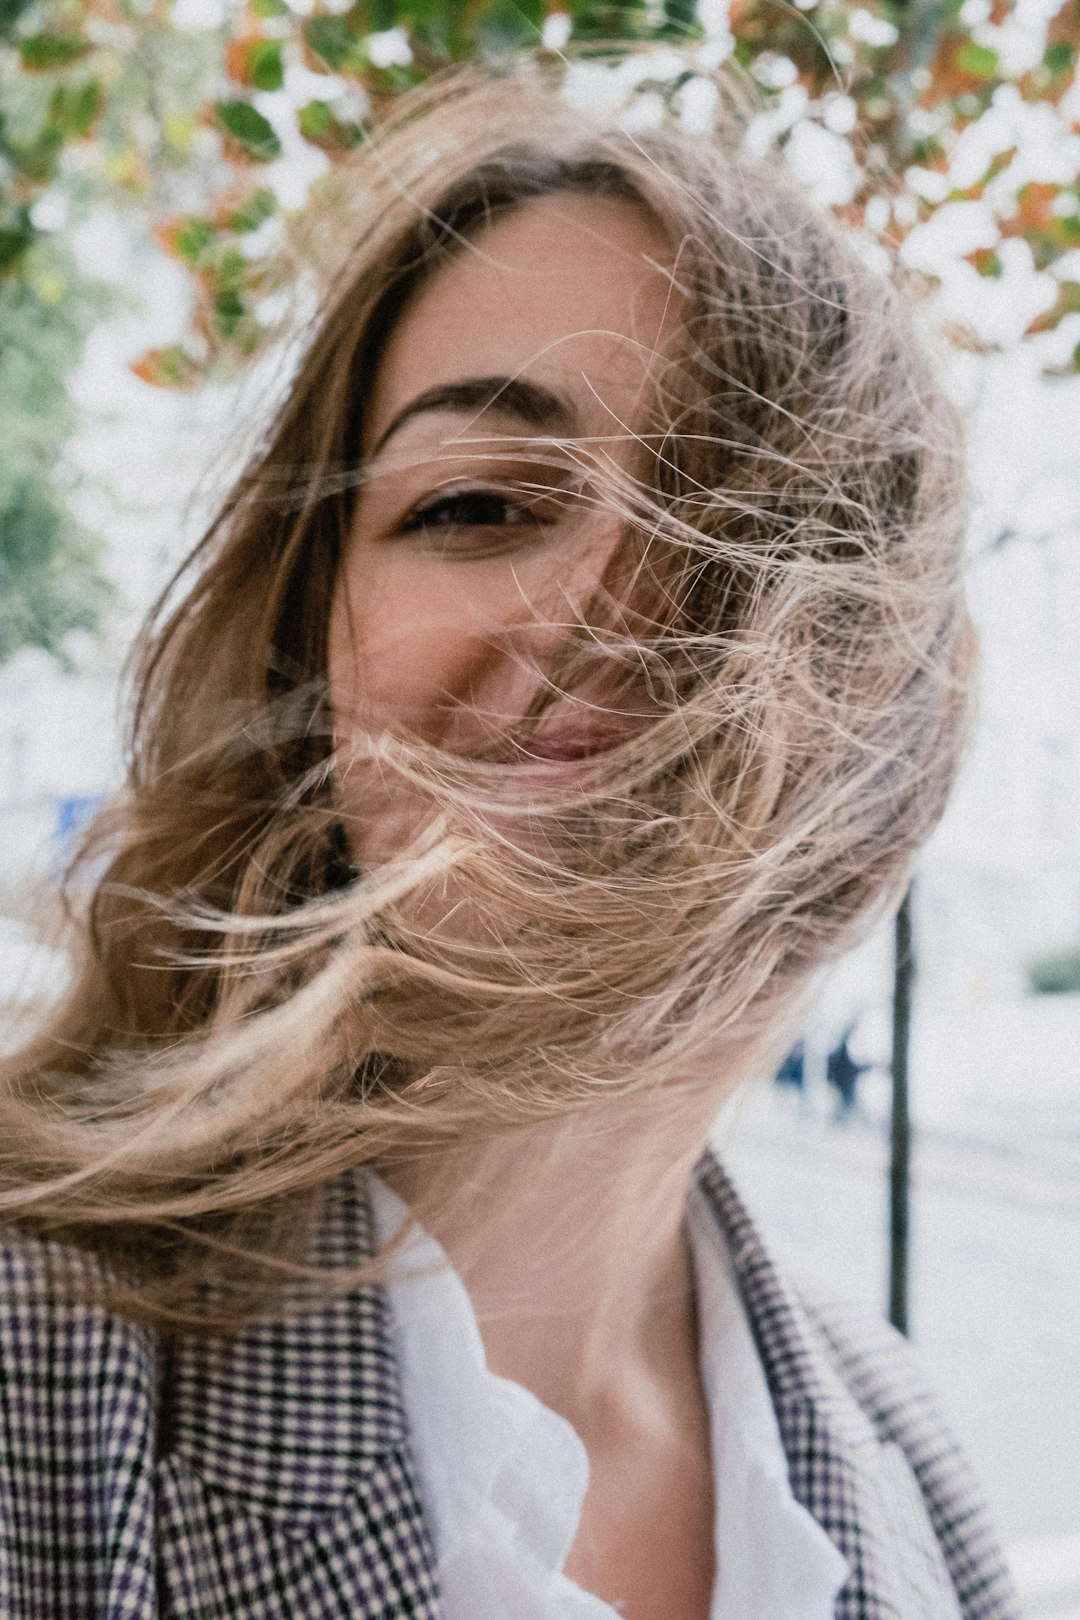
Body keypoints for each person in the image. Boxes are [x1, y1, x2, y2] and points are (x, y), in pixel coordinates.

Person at [0, 69, 1018, 1620]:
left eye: (737, 512)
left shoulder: (910, 1460)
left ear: (894, 690)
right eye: (476, 504)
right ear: (308, 656)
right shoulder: (35, 1381)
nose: (604, 606)